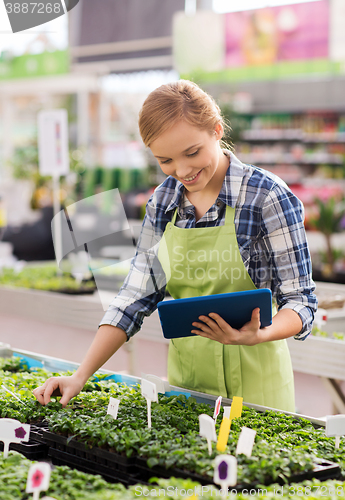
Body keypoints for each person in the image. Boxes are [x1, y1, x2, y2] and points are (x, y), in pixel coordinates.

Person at [33, 80, 317, 412]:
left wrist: (258, 334)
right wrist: (80, 376)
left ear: (216, 130)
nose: (182, 171)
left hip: (258, 390)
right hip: (188, 387)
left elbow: (301, 302)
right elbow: (134, 297)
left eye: (192, 152)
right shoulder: (163, 201)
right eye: (165, 160)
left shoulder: (266, 196)